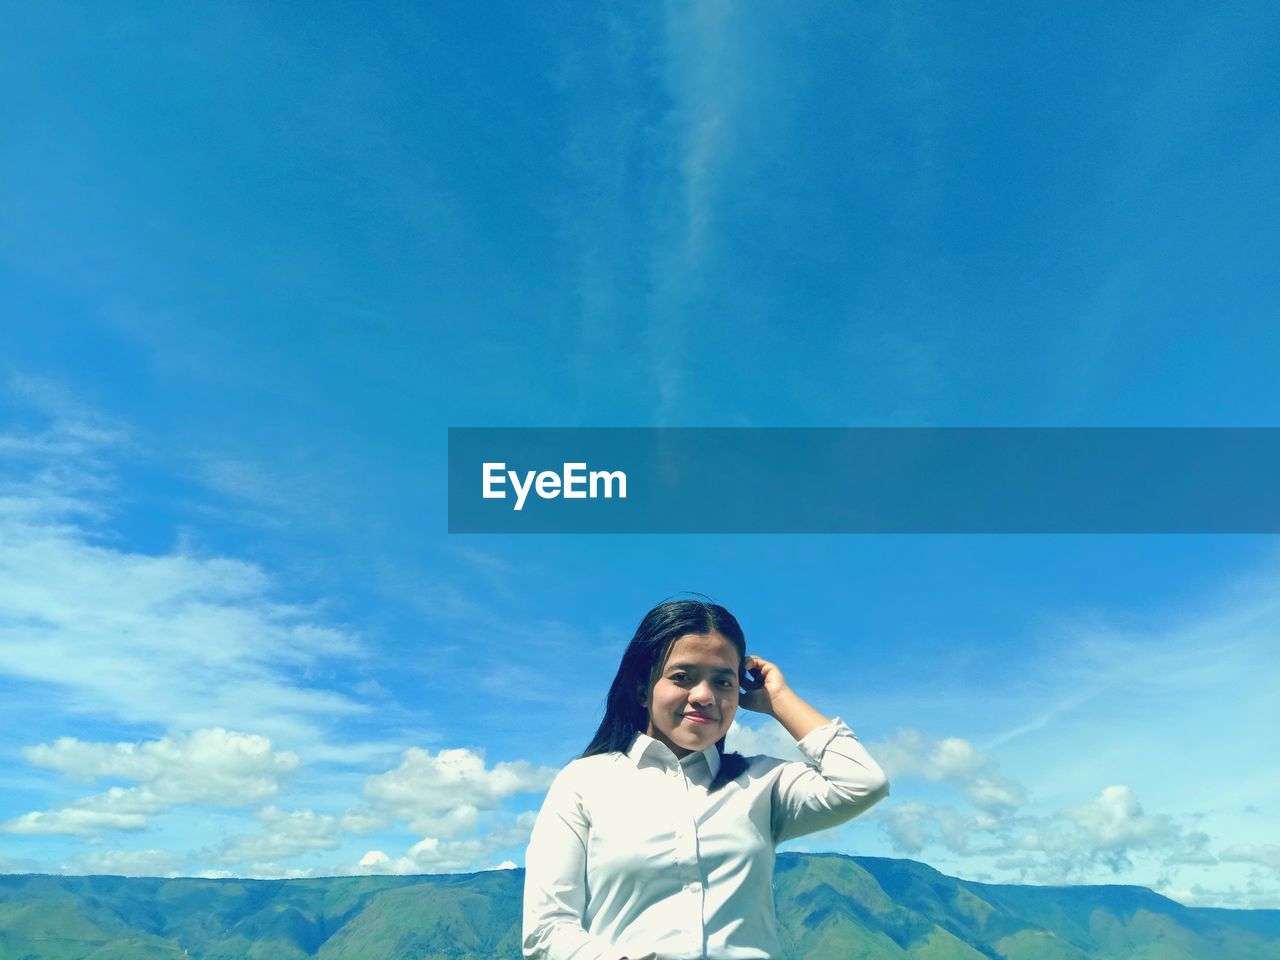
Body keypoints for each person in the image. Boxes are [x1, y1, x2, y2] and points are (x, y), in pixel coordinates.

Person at [522, 599, 889, 960]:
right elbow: (547, 929)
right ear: (641, 689)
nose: (704, 696)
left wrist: (779, 699)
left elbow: (862, 782)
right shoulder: (585, 782)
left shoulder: (764, 783)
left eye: (723, 682)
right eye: (682, 677)